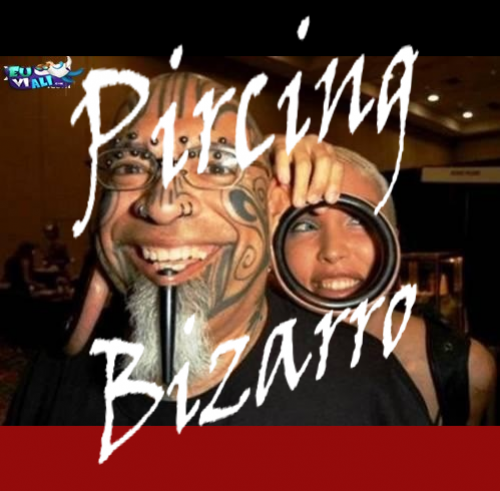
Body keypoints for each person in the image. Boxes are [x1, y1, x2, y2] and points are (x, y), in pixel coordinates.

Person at [4, 72, 469, 426]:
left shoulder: (363, 391)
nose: (162, 205)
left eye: (215, 163)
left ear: (271, 207)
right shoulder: (53, 374)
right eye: (130, 165)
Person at [275, 144, 497, 425]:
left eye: (358, 221)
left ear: (394, 241)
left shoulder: (462, 369)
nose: (333, 250)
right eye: (304, 226)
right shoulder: (241, 358)